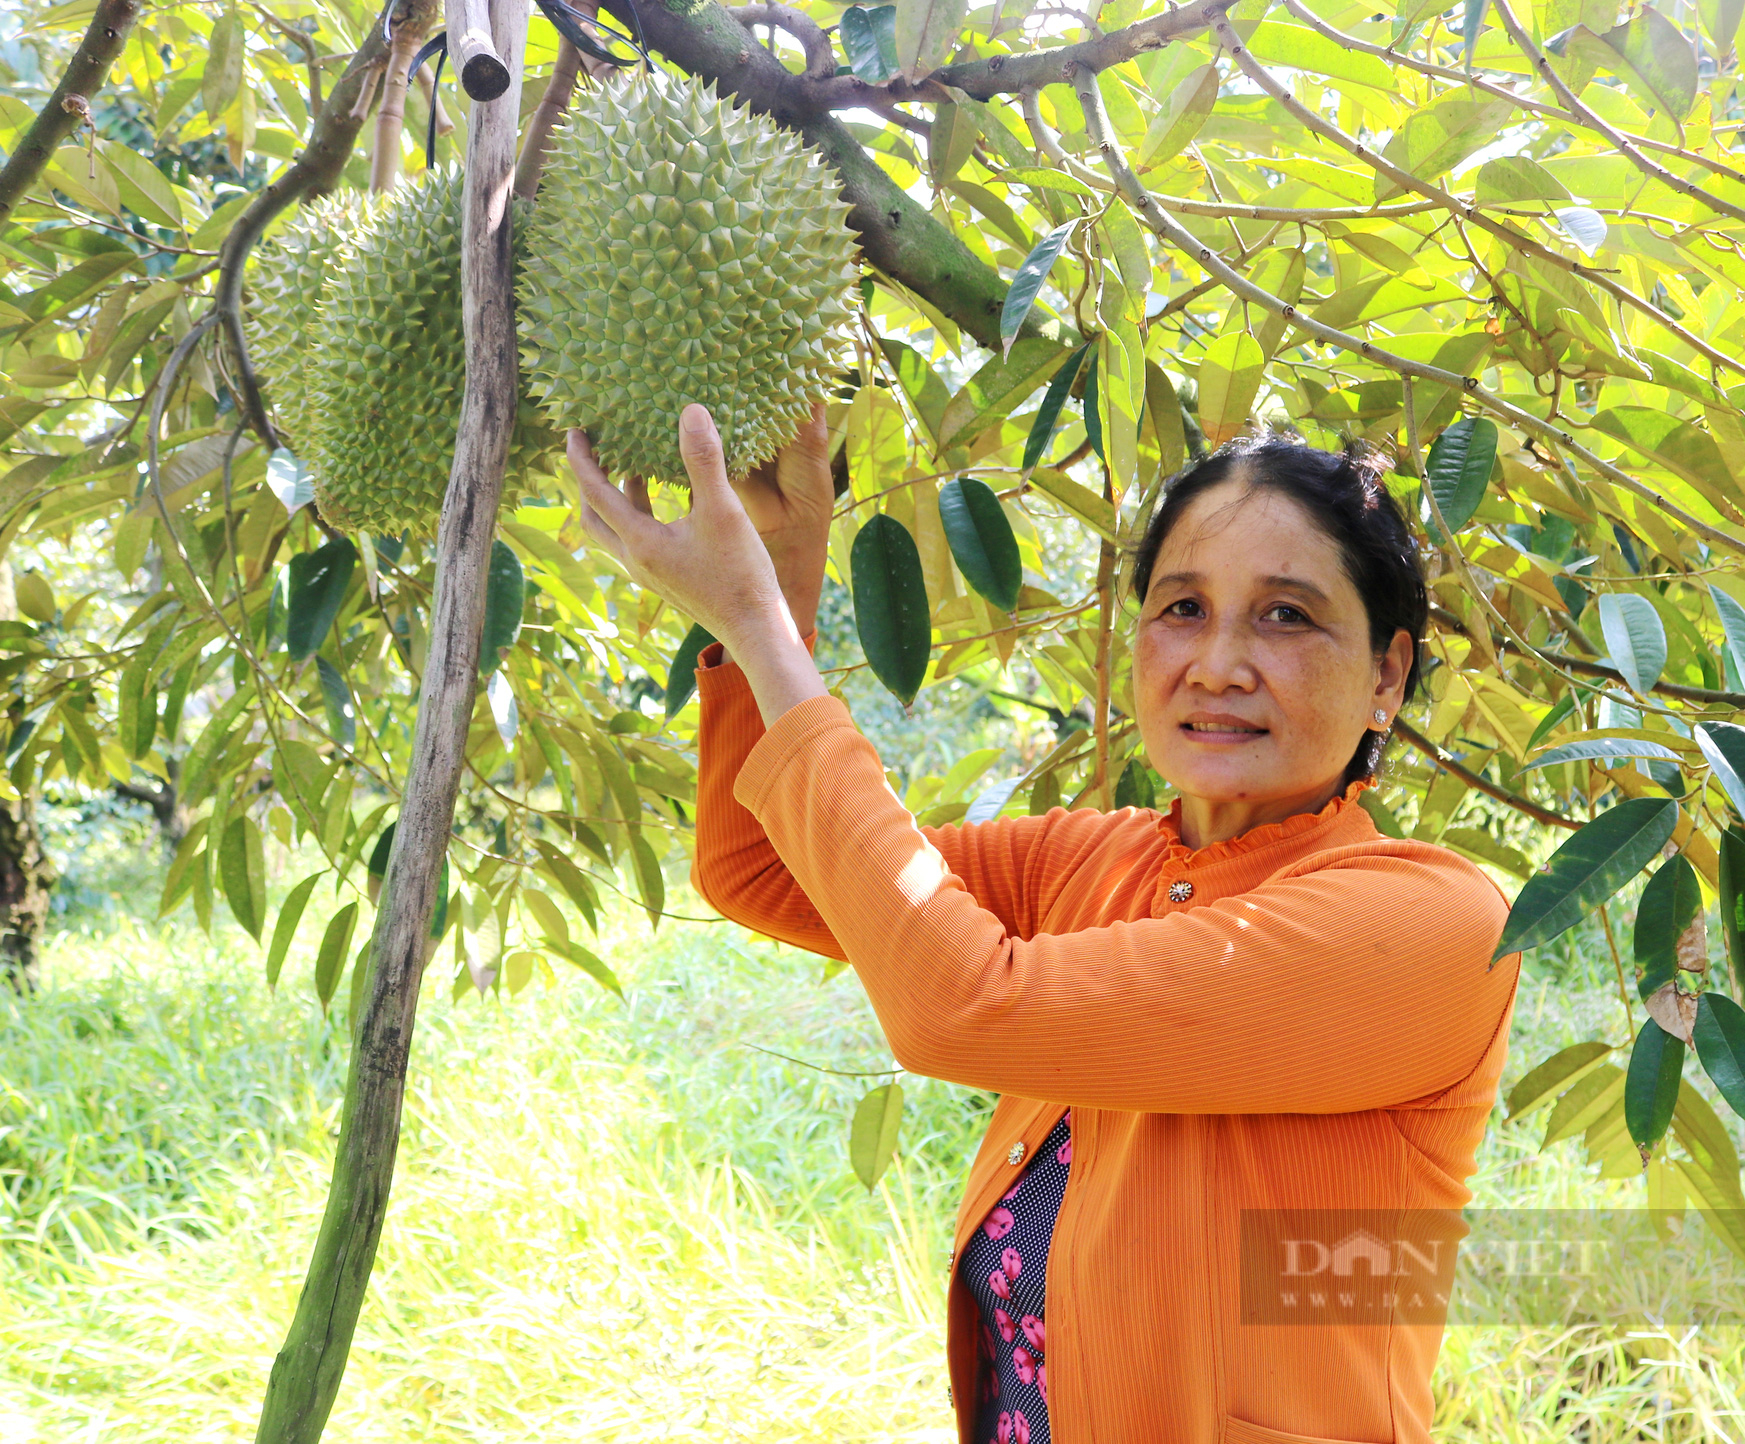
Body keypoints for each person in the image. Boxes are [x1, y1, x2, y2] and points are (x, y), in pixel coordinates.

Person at [569, 402, 1523, 1444]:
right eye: (1181, 608)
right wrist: (785, 587)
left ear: (1385, 675)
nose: (1215, 664)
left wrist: (752, 619)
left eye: (1285, 616)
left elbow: (961, 1008)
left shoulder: (1432, 926)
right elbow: (763, 866)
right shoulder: (1087, 861)